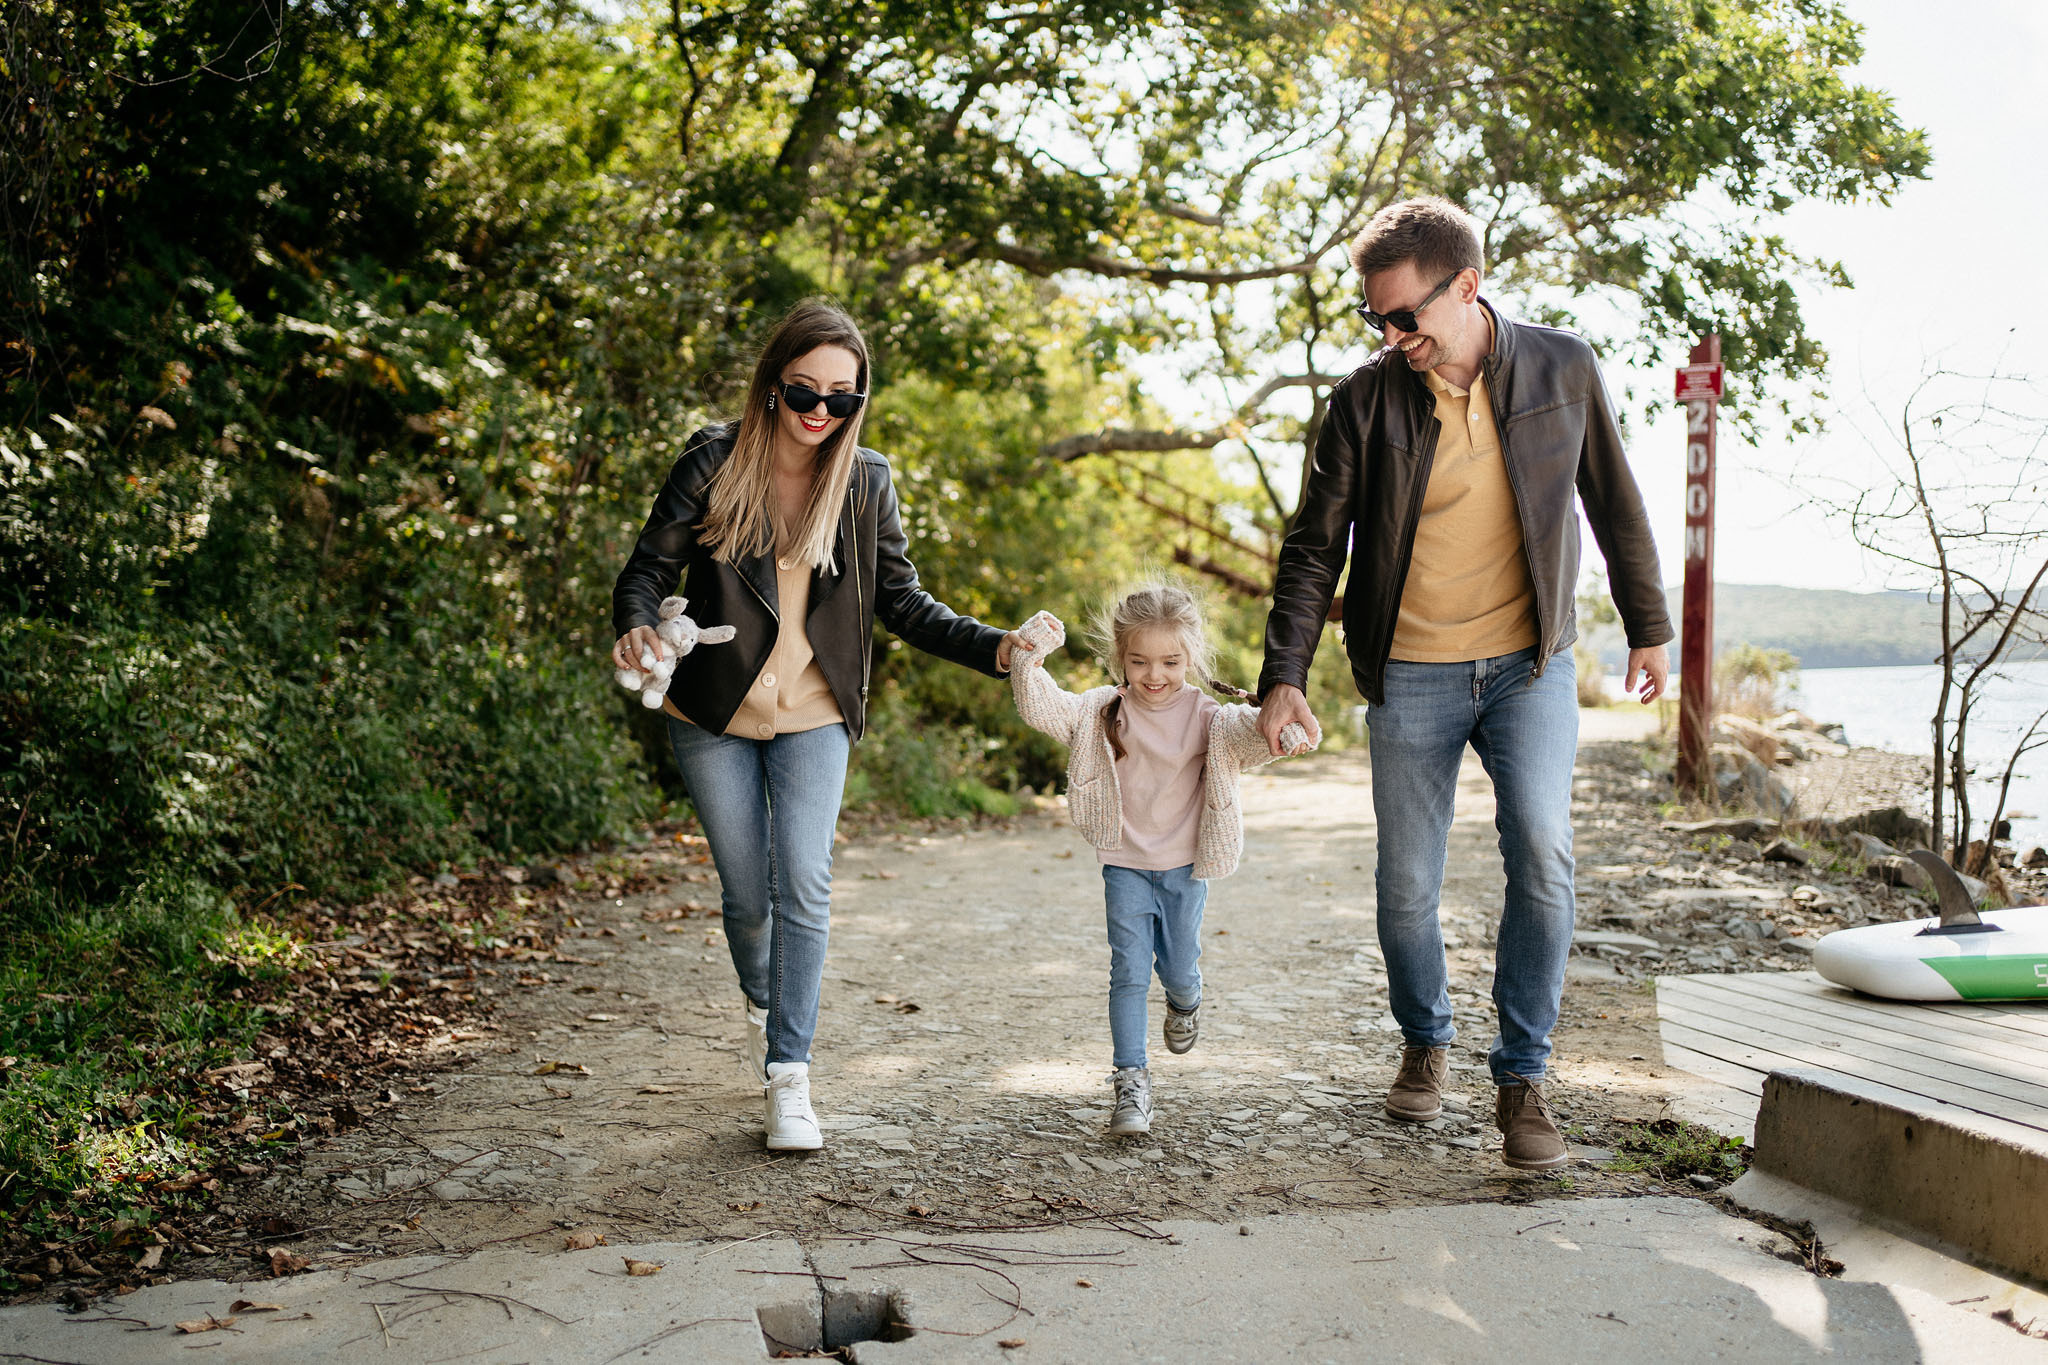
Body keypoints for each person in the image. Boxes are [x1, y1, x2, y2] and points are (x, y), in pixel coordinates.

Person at [1255, 198, 1671, 1171]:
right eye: (1377, 320)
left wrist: (1648, 627)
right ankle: (1422, 1038)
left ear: (1466, 286)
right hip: (1408, 673)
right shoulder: (1364, 403)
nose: (1392, 336)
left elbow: (1611, 499)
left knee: (1540, 846)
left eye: (1406, 316)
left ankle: (1521, 1080)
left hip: (1527, 666)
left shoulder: (1561, 367)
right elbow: (1313, 550)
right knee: (1405, 887)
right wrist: (1284, 677)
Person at [612, 298, 1023, 1152]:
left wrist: (997, 649)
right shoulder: (713, 459)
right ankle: (764, 992)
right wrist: (640, 622)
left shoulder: (865, 479)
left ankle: (787, 1073)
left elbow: (904, 602)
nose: (822, 412)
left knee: (802, 880)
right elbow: (647, 568)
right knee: (745, 891)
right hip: (712, 709)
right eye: (807, 390)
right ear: (773, 383)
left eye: (843, 398)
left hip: (816, 712)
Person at [1007, 587, 1313, 1136]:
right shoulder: (1100, 710)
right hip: (1122, 862)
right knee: (1126, 969)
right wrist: (1029, 655)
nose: (1155, 675)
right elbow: (1042, 706)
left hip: (1184, 867)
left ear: (1189, 659)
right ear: (1120, 659)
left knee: (1177, 967)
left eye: (1170, 662)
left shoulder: (1208, 715)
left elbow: (1252, 733)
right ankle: (1131, 1082)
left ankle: (1185, 1000)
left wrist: (1283, 732)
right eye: (1140, 661)